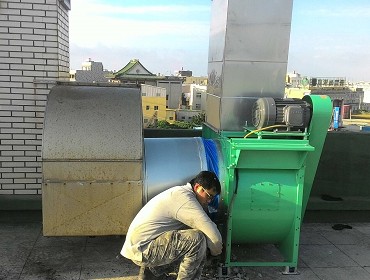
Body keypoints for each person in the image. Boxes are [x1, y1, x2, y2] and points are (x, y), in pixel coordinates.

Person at [121, 170, 223, 280]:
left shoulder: (182, 193)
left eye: (212, 198)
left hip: (142, 246)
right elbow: (213, 236)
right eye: (209, 196)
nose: (209, 201)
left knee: (194, 235)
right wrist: (215, 253)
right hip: (143, 250)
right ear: (197, 186)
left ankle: (153, 273)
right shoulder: (185, 199)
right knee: (197, 240)